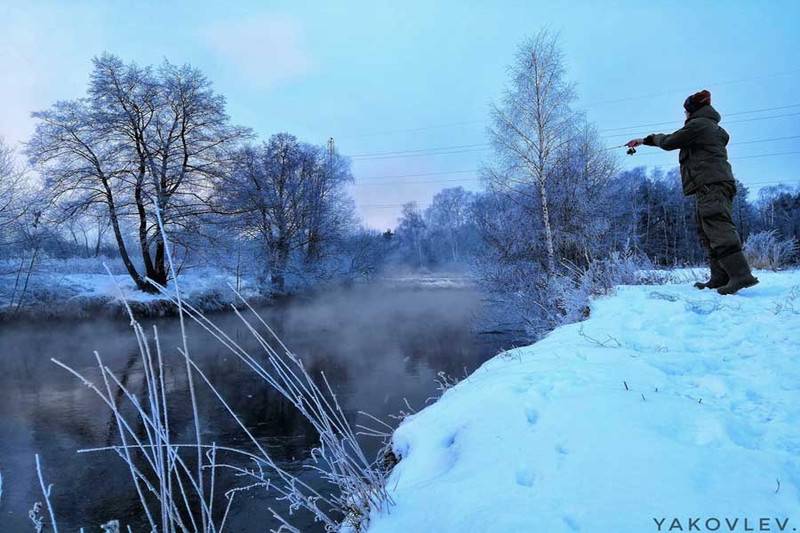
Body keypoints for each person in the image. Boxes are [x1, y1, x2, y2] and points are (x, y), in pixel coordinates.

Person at [626, 90, 758, 295]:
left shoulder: (699, 125)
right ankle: (720, 277)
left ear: (692, 110)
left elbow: (670, 142)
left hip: (711, 184)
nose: (684, 114)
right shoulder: (710, 127)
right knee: (707, 230)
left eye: (685, 111)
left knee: (717, 226)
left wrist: (646, 140)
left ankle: (741, 275)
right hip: (711, 184)